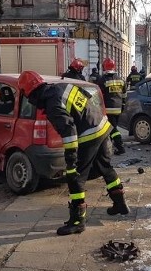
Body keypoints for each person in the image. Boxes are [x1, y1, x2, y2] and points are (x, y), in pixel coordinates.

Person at [18, 71, 130, 235]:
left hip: (90, 135)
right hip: (102, 127)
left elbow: (69, 131)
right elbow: (87, 98)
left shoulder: (52, 103)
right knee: (105, 167)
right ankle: (120, 204)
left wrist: (71, 160)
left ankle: (78, 221)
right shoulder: (61, 87)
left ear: (29, 93)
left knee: (75, 176)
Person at [97, 58, 126, 155]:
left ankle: (120, 147)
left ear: (104, 67)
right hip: (118, 108)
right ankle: (112, 146)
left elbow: (99, 95)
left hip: (108, 109)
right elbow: (124, 95)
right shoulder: (120, 79)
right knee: (114, 127)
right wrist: (123, 106)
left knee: (112, 129)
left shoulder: (103, 80)